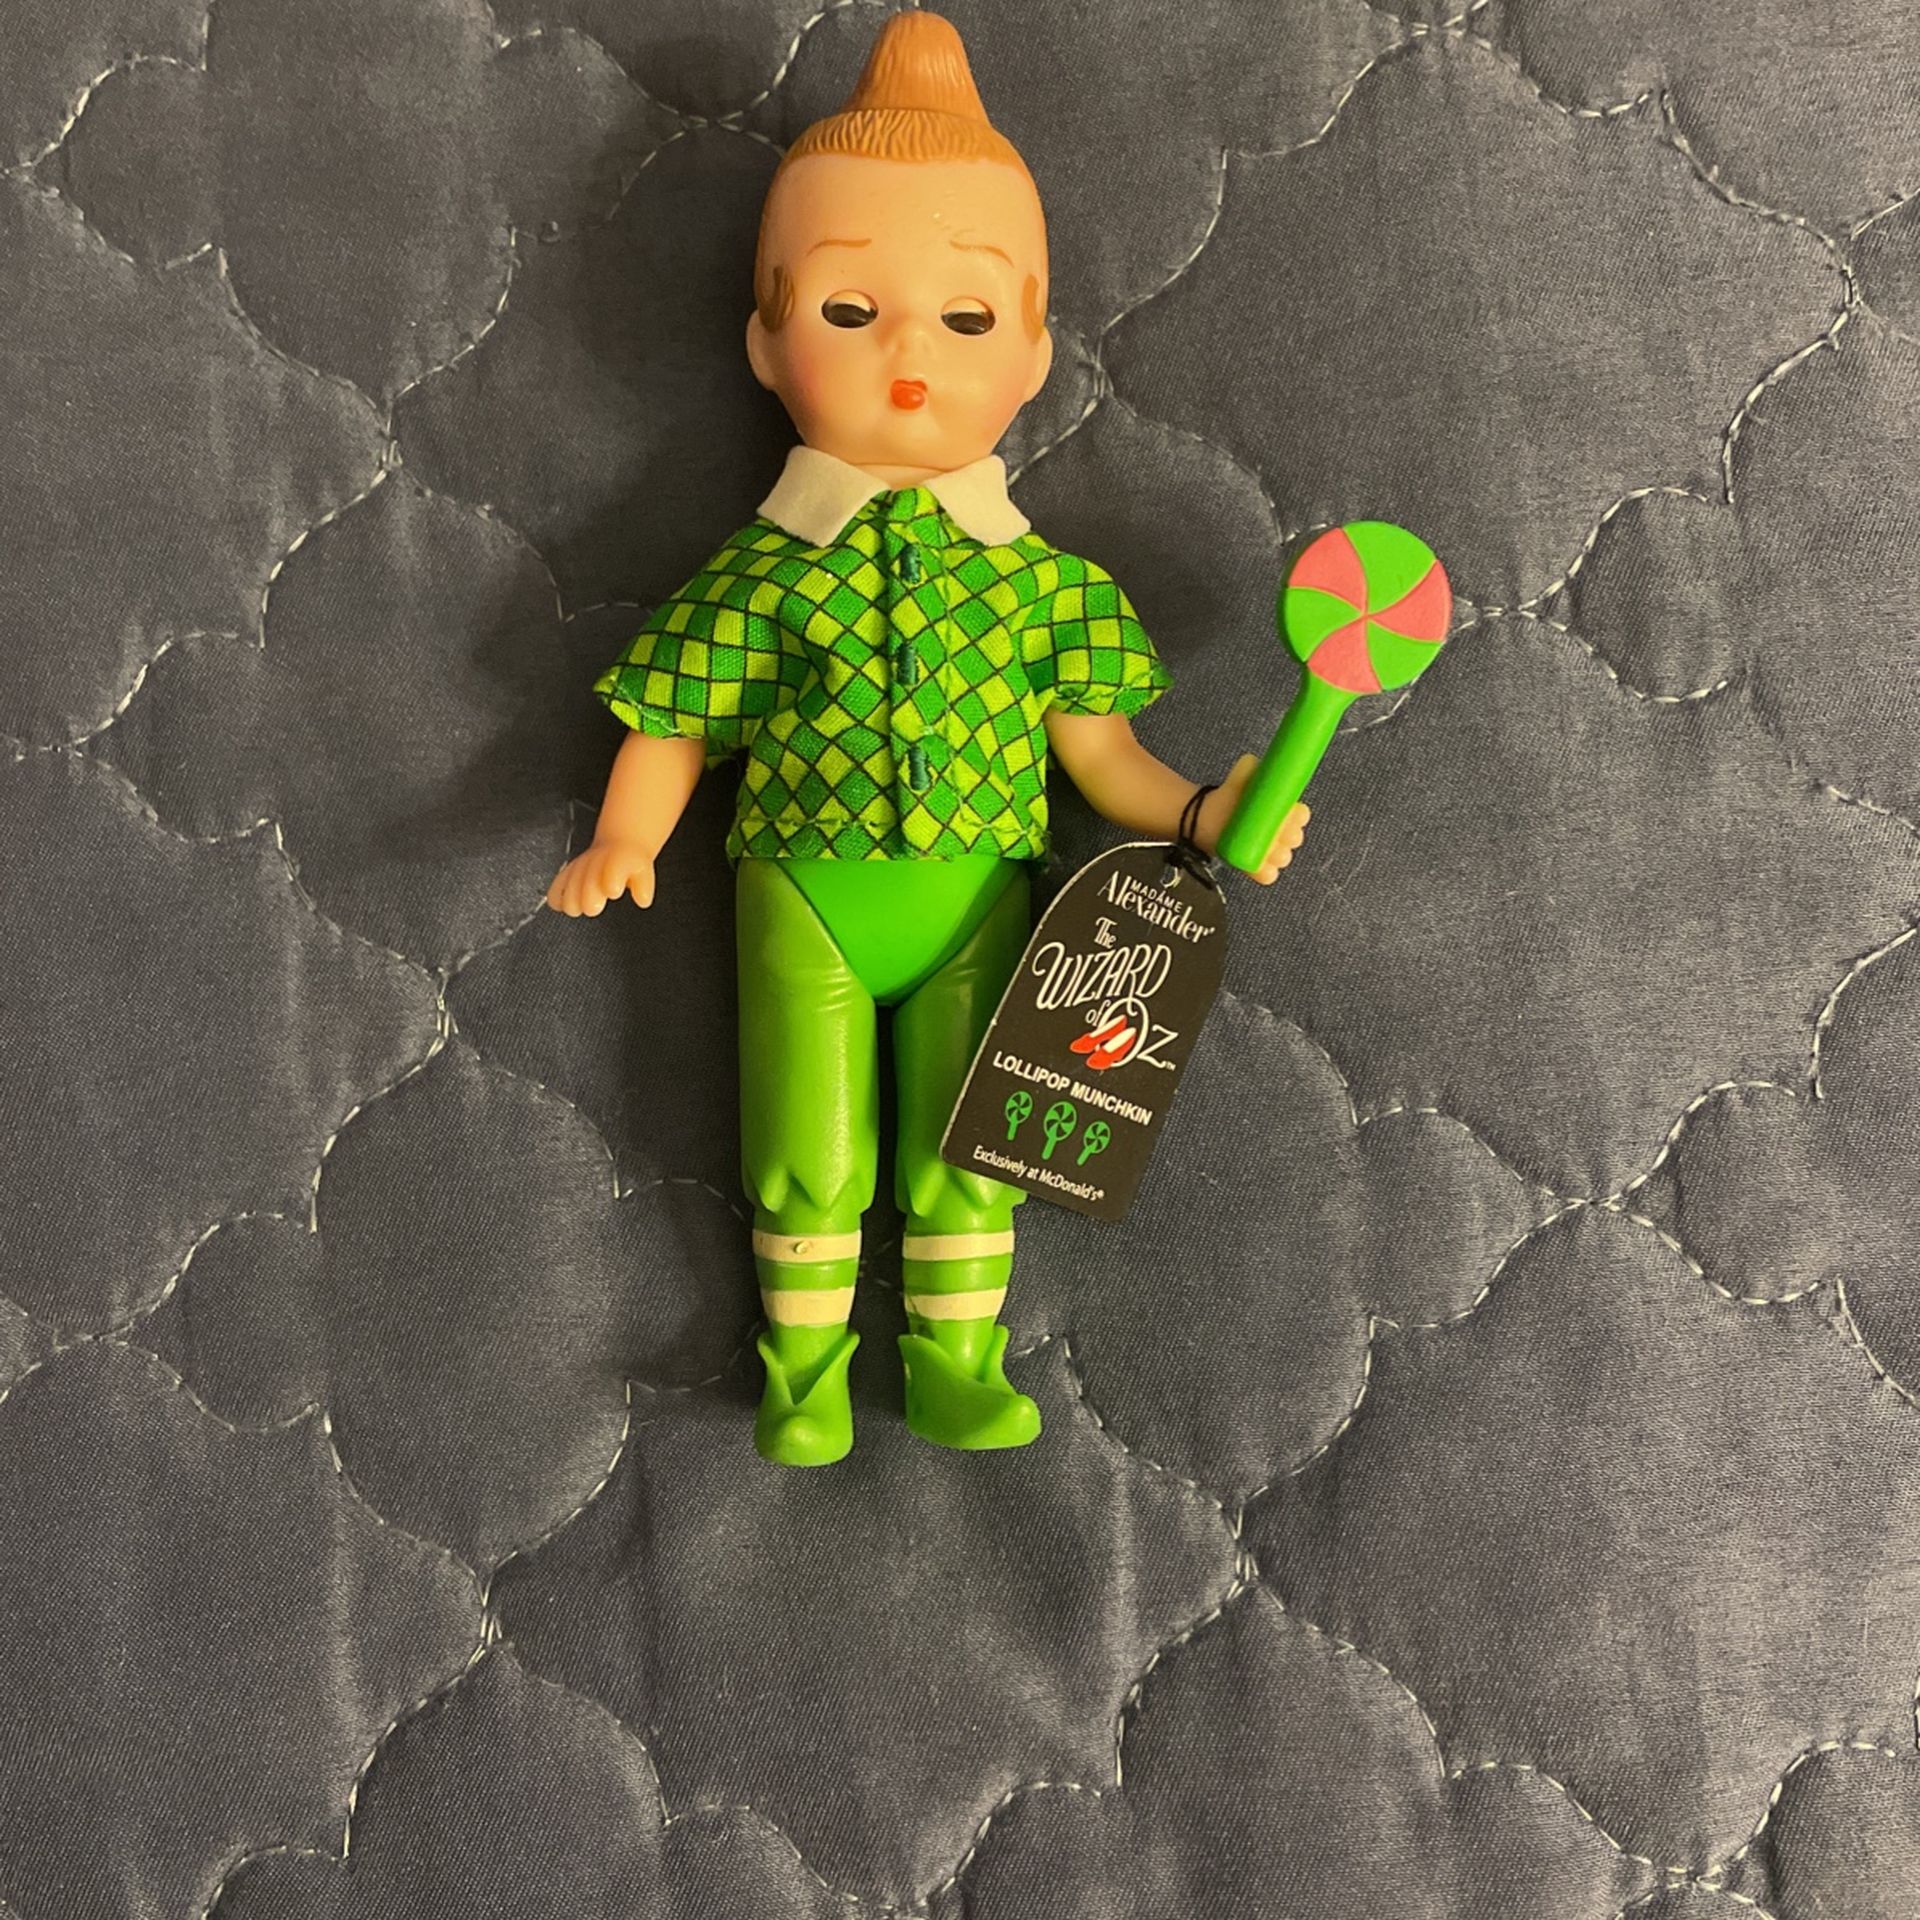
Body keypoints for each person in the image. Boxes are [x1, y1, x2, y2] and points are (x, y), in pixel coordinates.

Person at [547, 10, 1308, 1465]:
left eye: (965, 321)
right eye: (849, 312)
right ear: (767, 343)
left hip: (981, 905)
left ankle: (958, 1356)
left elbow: (1100, 756)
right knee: (805, 1147)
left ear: (1032, 353)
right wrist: (629, 834)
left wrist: (1203, 815)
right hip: (804, 896)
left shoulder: (1045, 588)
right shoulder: (761, 573)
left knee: (977, 1139)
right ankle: (802, 1371)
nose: (909, 353)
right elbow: (678, 718)